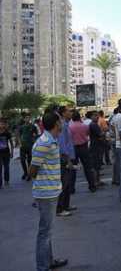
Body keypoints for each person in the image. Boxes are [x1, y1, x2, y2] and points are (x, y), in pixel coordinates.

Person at [29, 111, 68, 271]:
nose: (63, 123)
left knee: (48, 231)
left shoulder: (51, 140)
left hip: (51, 191)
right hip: (46, 194)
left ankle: (49, 261)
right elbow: (32, 170)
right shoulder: (44, 142)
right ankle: (42, 266)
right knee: (44, 232)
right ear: (56, 123)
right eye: (60, 120)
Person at [56, 106, 76, 216]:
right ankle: (59, 208)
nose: (71, 112)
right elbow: (62, 144)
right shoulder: (62, 125)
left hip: (69, 157)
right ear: (63, 113)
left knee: (67, 183)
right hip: (64, 158)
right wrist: (67, 160)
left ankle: (66, 205)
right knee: (63, 183)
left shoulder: (66, 124)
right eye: (69, 111)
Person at [69, 110, 96, 192]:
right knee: (88, 167)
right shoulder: (84, 126)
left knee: (73, 168)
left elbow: (69, 138)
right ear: (79, 117)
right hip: (84, 147)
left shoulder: (70, 127)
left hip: (74, 148)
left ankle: (71, 188)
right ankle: (92, 186)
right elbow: (87, 134)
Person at [18, 113, 38, 181]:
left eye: (29, 117)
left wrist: (34, 141)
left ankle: (29, 174)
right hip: (23, 146)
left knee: (29, 161)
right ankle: (25, 172)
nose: (27, 119)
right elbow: (18, 136)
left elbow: (36, 135)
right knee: (22, 160)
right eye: (26, 117)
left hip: (30, 146)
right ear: (24, 119)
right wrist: (20, 143)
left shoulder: (33, 126)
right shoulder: (21, 127)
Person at [89, 111, 106, 187]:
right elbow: (100, 134)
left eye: (97, 116)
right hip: (95, 147)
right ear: (91, 117)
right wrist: (103, 133)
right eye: (95, 115)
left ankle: (98, 180)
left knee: (97, 164)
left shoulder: (95, 124)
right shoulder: (93, 125)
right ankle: (96, 181)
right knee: (95, 165)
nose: (97, 117)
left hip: (97, 146)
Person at [0, 119, 14, 189]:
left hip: (6, 153)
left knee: (6, 167)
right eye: (1, 123)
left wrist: (12, 152)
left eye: (3, 124)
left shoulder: (7, 133)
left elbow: (11, 143)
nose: (2, 125)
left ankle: (6, 180)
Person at [110, 108, 120, 185]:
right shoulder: (116, 117)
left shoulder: (112, 117)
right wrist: (117, 135)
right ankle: (116, 179)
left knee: (115, 160)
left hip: (113, 140)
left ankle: (115, 178)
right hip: (116, 141)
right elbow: (113, 127)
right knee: (117, 161)